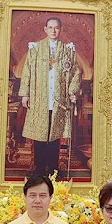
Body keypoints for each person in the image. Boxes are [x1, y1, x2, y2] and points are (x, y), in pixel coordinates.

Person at [19, 16, 82, 177]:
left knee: (54, 135)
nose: (53, 31)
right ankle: (39, 167)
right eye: (50, 27)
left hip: (59, 100)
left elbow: (76, 72)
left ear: (60, 30)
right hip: (40, 98)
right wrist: (25, 94)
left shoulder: (68, 50)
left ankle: (53, 168)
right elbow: (27, 72)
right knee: (40, 135)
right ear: (45, 29)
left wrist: (72, 91)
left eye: (57, 28)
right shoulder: (35, 49)